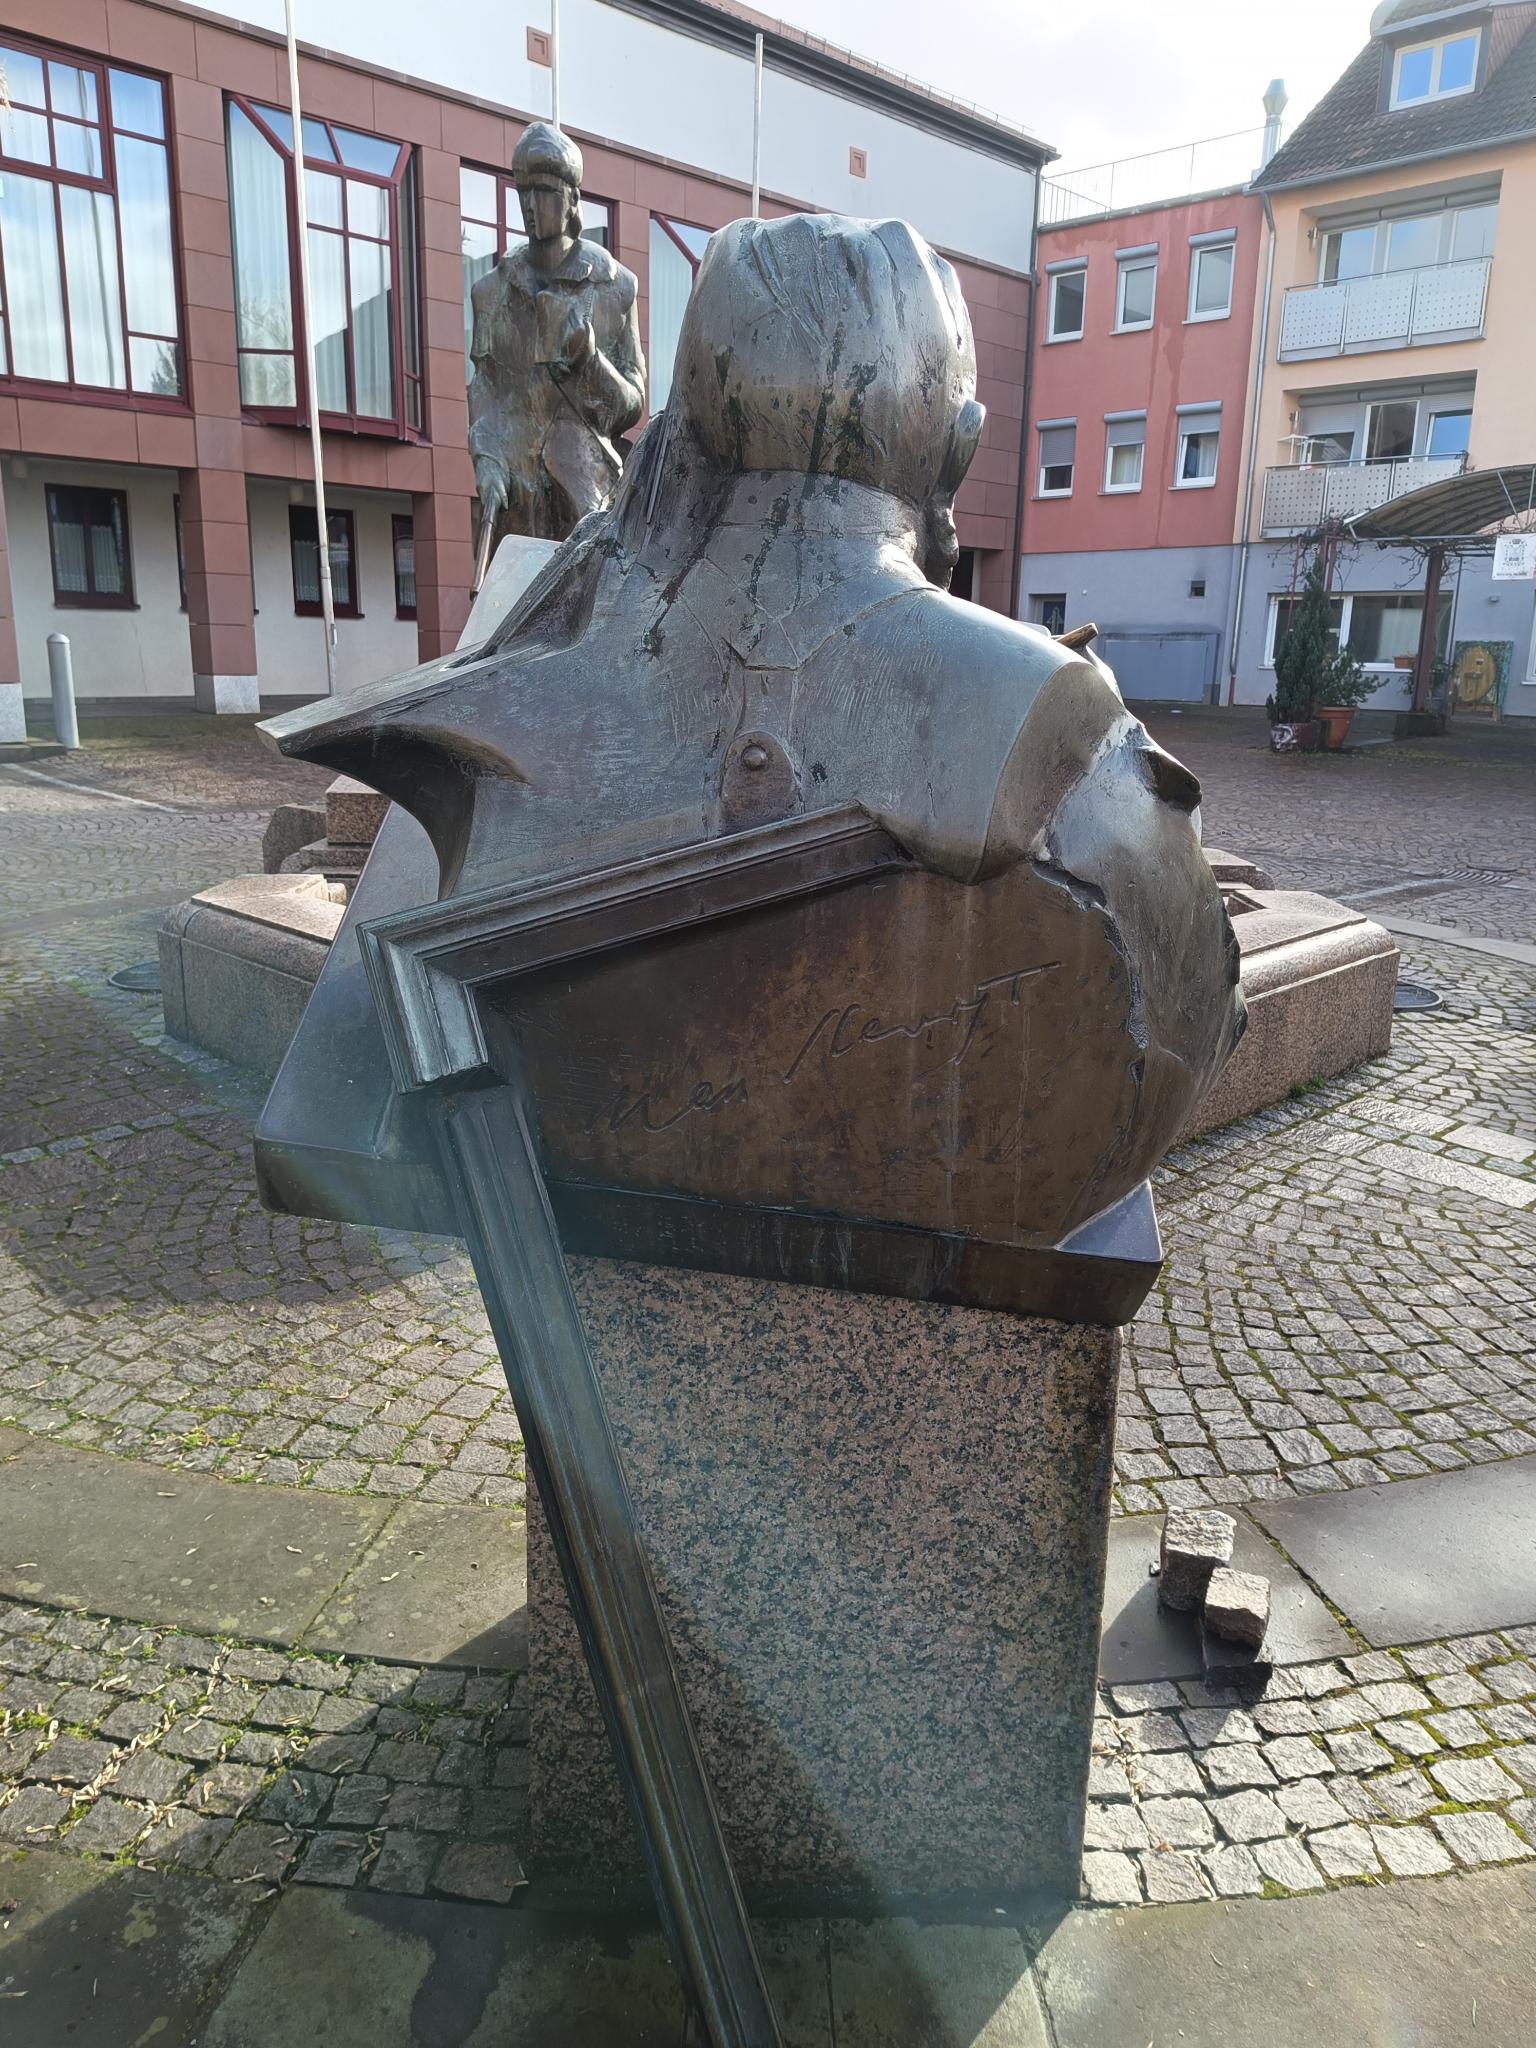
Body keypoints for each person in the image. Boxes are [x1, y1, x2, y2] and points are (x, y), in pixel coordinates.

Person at [467, 123, 645, 548]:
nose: (531, 205)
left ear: (572, 200)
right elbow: (486, 391)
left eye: (545, 191)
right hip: (516, 502)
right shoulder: (490, 292)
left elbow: (630, 409)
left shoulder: (616, 288)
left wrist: (589, 362)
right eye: (523, 192)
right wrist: (486, 457)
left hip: (586, 502)